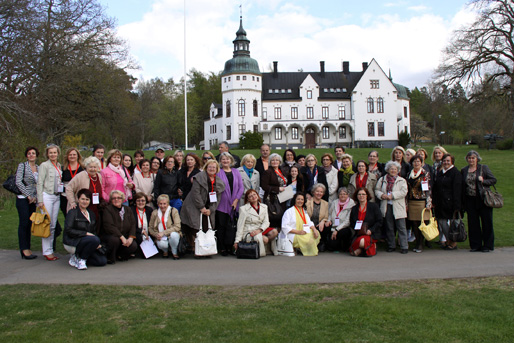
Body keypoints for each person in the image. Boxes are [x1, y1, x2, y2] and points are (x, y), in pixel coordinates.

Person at [180, 159, 225, 250]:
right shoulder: (199, 177)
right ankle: (195, 248)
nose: (212, 169)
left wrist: (211, 210)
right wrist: (201, 207)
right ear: (206, 167)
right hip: (194, 204)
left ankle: (206, 249)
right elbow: (195, 193)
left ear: (217, 169)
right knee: (195, 227)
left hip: (208, 207)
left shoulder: (218, 182)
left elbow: (217, 198)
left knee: (207, 228)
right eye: (210, 167)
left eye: (214, 167)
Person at [461, 150, 497, 252]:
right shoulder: (464, 170)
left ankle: (487, 245)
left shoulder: (483, 168)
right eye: (469, 158)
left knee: (487, 222)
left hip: (483, 198)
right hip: (470, 199)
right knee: (473, 223)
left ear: (477, 159)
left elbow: (493, 180)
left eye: (473, 158)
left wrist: (483, 181)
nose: (471, 160)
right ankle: (475, 245)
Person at [63, 189, 107, 269]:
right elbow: (68, 230)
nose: (84, 201)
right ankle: (82, 260)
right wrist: (85, 234)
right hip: (73, 241)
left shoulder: (91, 214)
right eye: (82, 199)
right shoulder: (72, 212)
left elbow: (93, 231)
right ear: (78, 199)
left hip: (88, 241)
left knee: (101, 261)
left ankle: (80, 256)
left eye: (87, 199)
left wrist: (97, 243)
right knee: (94, 240)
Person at [375, 161, 409, 254]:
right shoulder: (382, 179)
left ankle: (404, 246)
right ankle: (391, 245)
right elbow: (377, 190)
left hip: (398, 206)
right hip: (386, 205)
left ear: (398, 170)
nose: (393, 170)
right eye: (391, 169)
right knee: (389, 227)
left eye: (395, 169)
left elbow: (404, 192)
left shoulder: (402, 180)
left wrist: (393, 195)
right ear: (388, 170)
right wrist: (382, 195)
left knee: (401, 227)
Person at [36, 144, 62, 261]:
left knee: (53, 224)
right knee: (47, 223)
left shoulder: (59, 166)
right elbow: (40, 183)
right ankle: (47, 251)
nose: (53, 154)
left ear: (58, 153)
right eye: (50, 152)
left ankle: (50, 249)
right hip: (47, 195)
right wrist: (40, 200)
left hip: (57, 196)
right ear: (47, 154)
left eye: (55, 152)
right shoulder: (44, 165)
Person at [215, 152, 244, 255]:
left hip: (234, 203)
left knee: (232, 226)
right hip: (222, 204)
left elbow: (241, 187)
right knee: (222, 226)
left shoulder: (236, 172)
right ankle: (222, 247)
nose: (225, 161)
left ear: (231, 161)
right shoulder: (218, 172)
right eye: (223, 159)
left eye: (227, 159)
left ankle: (230, 247)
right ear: (220, 161)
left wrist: (236, 200)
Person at [234, 189, 276, 257]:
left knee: (274, 232)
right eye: (250, 196)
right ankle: (260, 249)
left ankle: (264, 246)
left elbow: (266, 222)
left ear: (257, 195)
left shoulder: (264, 207)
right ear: (248, 199)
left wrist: (259, 230)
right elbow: (240, 226)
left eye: (254, 194)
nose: (253, 197)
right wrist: (237, 241)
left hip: (260, 229)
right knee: (264, 239)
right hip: (249, 231)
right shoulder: (243, 209)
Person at [432, 153, 462, 250]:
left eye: (448, 161)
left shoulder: (455, 173)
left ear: (452, 161)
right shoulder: (441, 173)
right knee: (441, 222)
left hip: (451, 202)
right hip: (441, 202)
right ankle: (448, 240)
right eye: (444, 161)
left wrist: (457, 204)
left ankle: (453, 242)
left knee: (453, 223)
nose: (446, 162)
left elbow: (457, 190)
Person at [65, 156, 103, 231]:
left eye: (95, 167)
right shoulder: (81, 176)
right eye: (90, 167)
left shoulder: (99, 176)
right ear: (86, 167)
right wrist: (72, 202)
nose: (93, 169)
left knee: (95, 225)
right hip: (83, 206)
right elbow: (69, 188)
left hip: (95, 206)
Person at [101, 190, 138, 263]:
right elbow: (109, 226)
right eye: (114, 198)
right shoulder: (108, 209)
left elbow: (133, 224)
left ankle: (120, 255)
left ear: (123, 199)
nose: (116, 200)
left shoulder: (128, 209)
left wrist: (131, 237)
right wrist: (121, 237)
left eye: (119, 198)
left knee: (133, 245)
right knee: (115, 240)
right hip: (111, 235)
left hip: (125, 235)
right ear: (111, 200)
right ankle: (111, 257)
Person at [15, 146, 39, 259]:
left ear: (36, 155)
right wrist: (27, 195)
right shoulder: (22, 166)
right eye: (29, 153)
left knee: (29, 223)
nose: (31, 155)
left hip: (33, 199)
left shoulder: (38, 168)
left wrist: (35, 197)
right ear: (26, 155)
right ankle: (23, 249)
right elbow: (18, 182)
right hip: (23, 198)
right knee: (23, 223)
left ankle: (28, 248)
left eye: (33, 153)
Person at [406, 154, 432, 253]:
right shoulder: (409, 174)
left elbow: (428, 190)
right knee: (414, 224)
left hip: (421, 201)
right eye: (414, 161)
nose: (416, 163)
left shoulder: (425, 174)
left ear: (421, 163)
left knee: (422, 223)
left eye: (418, 161)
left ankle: (421, 243)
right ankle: (417, 242)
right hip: (411, 202)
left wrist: (428, 203)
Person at [349, 187, 383, 257]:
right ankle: (364, 249)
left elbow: (380, 221)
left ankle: (365, 248)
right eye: (359, 194)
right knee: (352, 251)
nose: (361, 196)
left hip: (371, 233)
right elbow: (351, 222)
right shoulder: (354, 208)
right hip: (359, 233)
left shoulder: (374, 206)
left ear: (367, 196)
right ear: (357, 196)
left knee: (362, 242)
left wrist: (371, 230)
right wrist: (357, 228)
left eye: (363, 194)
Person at [149, 194, 182, 259]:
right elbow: (150, 228)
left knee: (174, 235)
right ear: (158, 204)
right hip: (160, 235)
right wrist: (156, 235)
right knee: (161, 244)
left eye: (164, 204)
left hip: (171, 234)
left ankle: (174, 251)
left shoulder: (174, 211)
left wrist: (164, 233)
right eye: (160, 204)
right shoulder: (154, 213)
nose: (162, 206)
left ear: (168, 204)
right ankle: (165, 251)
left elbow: (178, 226)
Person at [261, 153, 288, 228]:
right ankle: (272, 236)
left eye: (277, 160)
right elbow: (264, 186)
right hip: (272, 199)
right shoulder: (268, 172)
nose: (275, 161)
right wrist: (277, 189)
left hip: (283, 197)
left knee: (282, 217)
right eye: (273, 160)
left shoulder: (282, 171)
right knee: (274, 216)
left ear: (280, 162)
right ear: (270, 162)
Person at [327, 187, 355, 252]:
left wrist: (337, 230)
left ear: (348, 195)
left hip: (344, 227)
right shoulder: (334, 202)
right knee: (331, 246)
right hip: (334, 225)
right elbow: (330, 213)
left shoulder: (351, 204)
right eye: (341, 194)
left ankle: (344, 246)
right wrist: (328, 220)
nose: (342, 195)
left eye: (344, 194)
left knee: (343, 232)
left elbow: (347, 222)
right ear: (338, 195)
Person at [306, 183, 331, 252]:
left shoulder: (325, 204)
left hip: (319, 225)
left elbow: (326, 216)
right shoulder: (307, 203)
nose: (319, 193)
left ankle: (321, 242)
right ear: (313, 192)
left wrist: (323, 222)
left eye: (321, 192)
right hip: (309, 225)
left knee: (327, 225)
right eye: (317, 191)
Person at [60, 148, 83, 216]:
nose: (72, 156)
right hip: (65, 195)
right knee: (67, 216)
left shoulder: (83, 168)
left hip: (78, 195)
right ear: (67, 156)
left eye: (74, 154)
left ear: (78, 156)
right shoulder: (63, 168)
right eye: (70, 155)